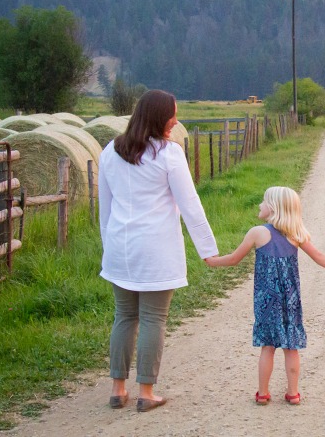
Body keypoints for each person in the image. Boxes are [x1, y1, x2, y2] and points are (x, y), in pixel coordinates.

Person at [99, 89, 219, 412]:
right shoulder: (169, 154)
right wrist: (207, 250)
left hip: (119, 250)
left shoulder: (110, 151)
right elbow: (190, 205)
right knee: (153, 318)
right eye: (172, 115)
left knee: (124, 316)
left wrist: (107, 249)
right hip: (155, 251)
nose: (176, 121)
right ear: (158, 118)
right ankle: (146, 392)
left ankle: (117, 389)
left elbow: (105, 211)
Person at [204, 186, 325, 406]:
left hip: (266, 300)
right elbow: (319, 257)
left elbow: (235, 258)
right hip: (290, 300)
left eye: (264, 202)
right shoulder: (296, 235)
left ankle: (263, 393)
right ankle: (293, 393)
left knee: (268, 346)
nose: (260, 205)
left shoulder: (257, 233)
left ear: (273, 208)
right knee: (291, 346)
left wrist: (213, 260)